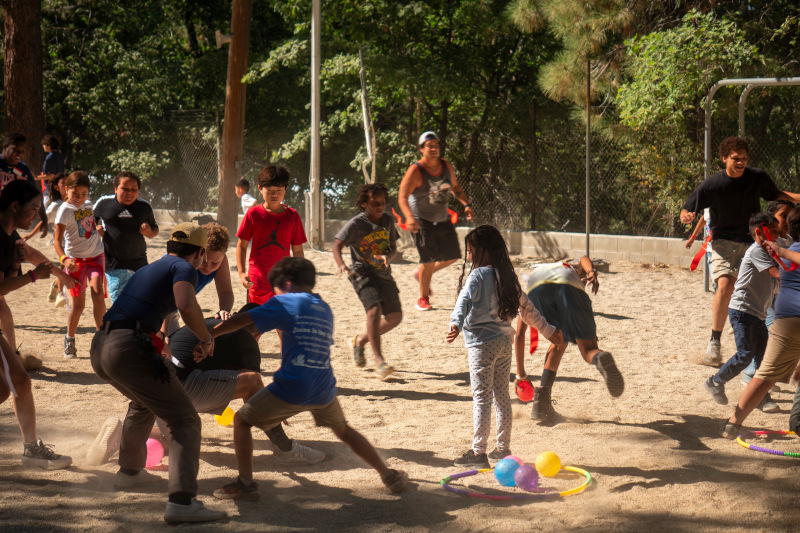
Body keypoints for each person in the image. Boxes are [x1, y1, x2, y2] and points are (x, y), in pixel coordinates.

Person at [208, 257, 408, 500]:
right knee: (344, 430)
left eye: (276, 289)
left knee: (241, 421)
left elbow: (242, 320)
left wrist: (212, 334)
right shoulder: (323, 306)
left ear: (287, 283)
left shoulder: (284, 301)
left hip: (293, 387)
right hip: (324, 387)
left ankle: (245, 483)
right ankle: (388, 475)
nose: (276, 294)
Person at [90, 222, 226, 523]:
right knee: (185, 420)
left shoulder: (155, 266)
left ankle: (129, 473)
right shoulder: (185, 267)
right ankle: (182, 502)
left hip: (101, 346)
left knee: (143, 402)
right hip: (127, 347)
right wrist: (206, 338)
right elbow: (186, 306)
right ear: (200, 253)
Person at [87, 304, 325, 467]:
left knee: (176, 439)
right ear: (259, 331)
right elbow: (253, 386)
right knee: (252, 381)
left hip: (154, 384)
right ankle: (285, 449)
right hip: (180, 386)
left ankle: (121, 431)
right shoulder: (245, 339)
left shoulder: (208, 322)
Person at [447, 225, 562, 468]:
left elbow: (463, 301)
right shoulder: (507, 277)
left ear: (484, 251)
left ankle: (478, 453)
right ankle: (502, 449)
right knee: (501, 396)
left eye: (470, 252)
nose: (469, 257)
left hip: (481, 345)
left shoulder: (477, 276)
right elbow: (528, 310)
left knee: (481, 398)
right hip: (503, 343)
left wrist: (455, 323)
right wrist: (549, 331)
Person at [680, 137, 800, 366]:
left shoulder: (756, 177)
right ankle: (714, 343)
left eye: (744, 158)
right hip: (723, 242)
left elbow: (777, 194)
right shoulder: (713, 185)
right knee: (725, 286)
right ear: (724, 158)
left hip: (753, 240)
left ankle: (765, 347)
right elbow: (687, 207)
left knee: (766, 293)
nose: (741, 162)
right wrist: (685, 215)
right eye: (736, 158)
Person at [0, 180, 74, 469]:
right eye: (32, 209)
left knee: (7, 388)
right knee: (18, 380)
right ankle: (31, 449)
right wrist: (33, 276)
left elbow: (4, 287)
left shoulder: (9, 237)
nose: (35, 216)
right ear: (15, 206)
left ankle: (31, 448)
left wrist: (18, 266)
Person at [514, 256, 624, 423]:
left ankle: (541, 402)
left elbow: (520, 335)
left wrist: (520, 374)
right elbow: (584, 258)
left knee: (559, 341)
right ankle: (599, 358)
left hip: (536, 287)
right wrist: (591, 272)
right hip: (570, 285)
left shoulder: (540, 271)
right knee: (587, 348)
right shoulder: (570, 270)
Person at [721, 206, 800, 439]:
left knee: (765, 375)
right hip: (788, 319)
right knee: (766, 374)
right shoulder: (778, 249)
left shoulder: (786, 247)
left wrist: (779, 250)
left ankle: (732, 424)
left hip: (786, 318)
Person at [703, 213, 780, 409]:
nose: (778, 236)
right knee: (745, 354)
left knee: (763, 358)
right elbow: (778, 274)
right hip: (742, 311)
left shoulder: (770, 251)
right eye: (773, 232)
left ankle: (760, 396)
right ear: (758, 232)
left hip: (758, 314)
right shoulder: (757, 252)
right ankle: (715, 381)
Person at [398, 131, 474, 311]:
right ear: (421, 149)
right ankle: (422, 298)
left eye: (436, 145)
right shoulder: (416, 171)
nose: (434, 148)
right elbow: (402, 197)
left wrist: (466, 205)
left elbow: (455, 188)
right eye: (429, 145)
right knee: (428, 259)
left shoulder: (446, 165)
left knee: (453, 256)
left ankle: (422, 274)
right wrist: (409, 217)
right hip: (421, 220)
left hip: (442, 217)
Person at [333, 183, 401, 380]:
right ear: (364, 204)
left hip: (383, 273)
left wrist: (389, 256)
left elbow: (393, 247)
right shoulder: (356, 224)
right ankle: (379, 361)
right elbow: (337, 246)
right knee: (374, 310)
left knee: (395, 317)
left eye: (382, 202)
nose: (380, 206)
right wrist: (341, 265)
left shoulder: (388, 220)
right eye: (374, 203)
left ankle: (360, 340)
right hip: (361, 273)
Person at [236, 165, 306, 305]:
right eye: (270, 190)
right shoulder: (253, 214)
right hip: (257, 282)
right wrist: (242, 273)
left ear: (286, 189)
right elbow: (242, 246)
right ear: (260, 189)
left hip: (283, 281)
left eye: (279, 190)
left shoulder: (292, 216)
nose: (274, 195)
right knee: (255, 323)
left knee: (282, 323)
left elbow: (297, 250)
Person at [54, 171, 106, 358]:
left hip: (95, 258)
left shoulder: (90, 205)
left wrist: (99, 230)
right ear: (66, 190)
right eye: (75, 193)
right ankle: (70, 338)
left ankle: (101, 340)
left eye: (83, 194)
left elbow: (90, 228)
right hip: (75, 262)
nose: (79, 198)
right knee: (78, 306)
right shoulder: (63, 211)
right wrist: (64, 259)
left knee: (98, 295)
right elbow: (57, 242)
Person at [93, 171, 159, 303]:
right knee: (120, 304)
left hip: (139, 264)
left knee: (140, 302)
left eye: (133, 189)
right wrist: (96, 230)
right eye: (125, 189)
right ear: (116, 189)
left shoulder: (144, 206)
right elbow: (88, 223)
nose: (129, 193)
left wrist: (148, 233)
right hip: (114, 265)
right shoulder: (103, 203)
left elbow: (155, 229)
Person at [162, 222, 234, 336]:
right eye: (204, 261)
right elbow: (165, 298)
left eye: (214, 263)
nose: (208, 267)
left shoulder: (221, 260)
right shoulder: (183, 261)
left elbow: (226, 291)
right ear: (198, 252)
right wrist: (163, 333)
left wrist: (224, 309)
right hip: (158, 306)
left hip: (172, 309)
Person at [0, 132, 47, 238]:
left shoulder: (23, 169)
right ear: (5, 147)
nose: (19, 154)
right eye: (16, 150)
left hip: (8, 221)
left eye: (22, 152)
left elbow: (36, 195)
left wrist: (44, 219)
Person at [40, 134, 65, 204]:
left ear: (49, 145)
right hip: (59, 189)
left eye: (44, 144)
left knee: (47, 212)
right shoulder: (59, 156)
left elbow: (51, 175)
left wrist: (35, 177)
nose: (43, 146)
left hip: (50, 190)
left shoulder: (50, 157)